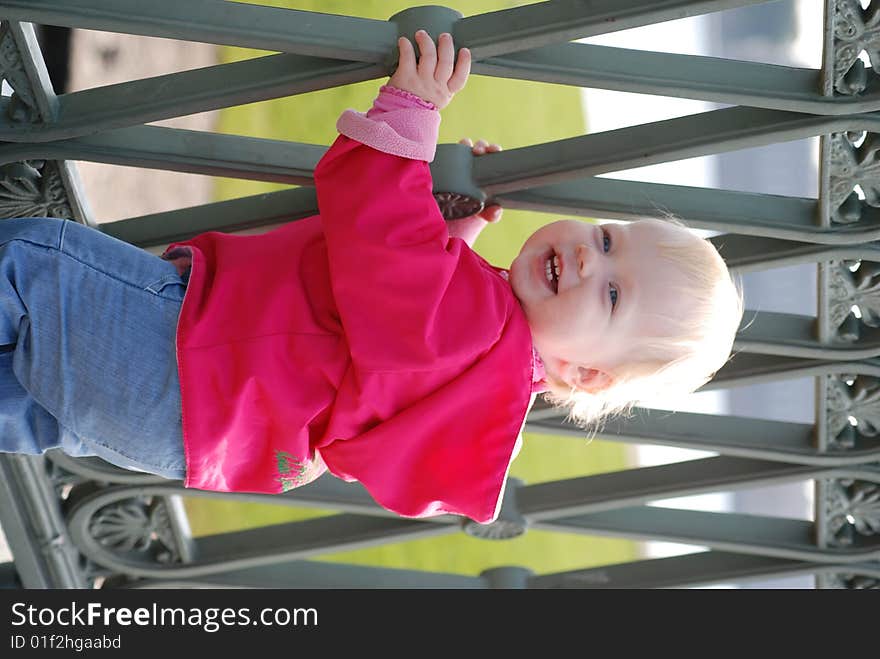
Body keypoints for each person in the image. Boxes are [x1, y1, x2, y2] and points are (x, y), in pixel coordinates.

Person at [0, 32, 742, 524]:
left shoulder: (475, 327)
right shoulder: (481, 388)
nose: (591, 258)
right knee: (28, 398)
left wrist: (410, 116)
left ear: (585, 375)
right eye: (609, 239)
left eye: (614, 292)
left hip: (189, 363)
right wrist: (458, 231)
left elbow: (383, 247)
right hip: (197, 435)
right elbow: (389, 342)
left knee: (32, 266)